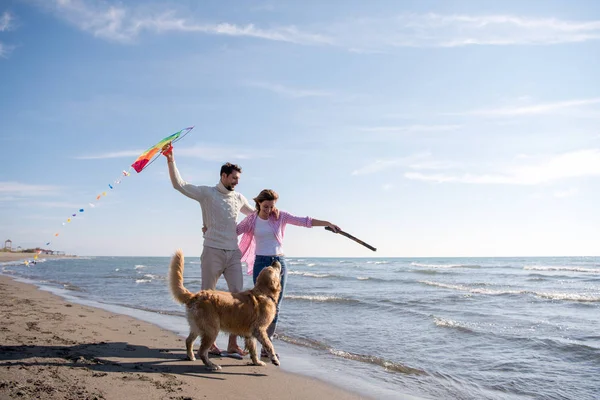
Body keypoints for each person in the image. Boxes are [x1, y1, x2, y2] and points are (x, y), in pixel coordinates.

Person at [163, 143, 253, 358]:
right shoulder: (207, 194)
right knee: (206, 298)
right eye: (234, 178)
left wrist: (275, 212)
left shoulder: (239, 198)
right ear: (223, 175)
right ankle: (209, 341)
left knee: (238, 299)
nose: (236, 182)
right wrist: (170, 158)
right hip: (212, 250)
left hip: (233, 253)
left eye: (238, 179)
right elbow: (179, 184)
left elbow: (255, 215)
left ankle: (233, 344)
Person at [236, 189, 341, 356]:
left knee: (275, 307)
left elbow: (304, 221)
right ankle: (252, 342)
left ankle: (266, 347)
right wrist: (211, 230)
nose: (269, 210)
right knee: (257, 305)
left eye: (271, 206)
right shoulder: (251, 219)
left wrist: (327, 223)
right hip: (261, 264)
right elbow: (234, 230)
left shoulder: (281, 216)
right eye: (265, 207)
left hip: (279, 262)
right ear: (258, 204)